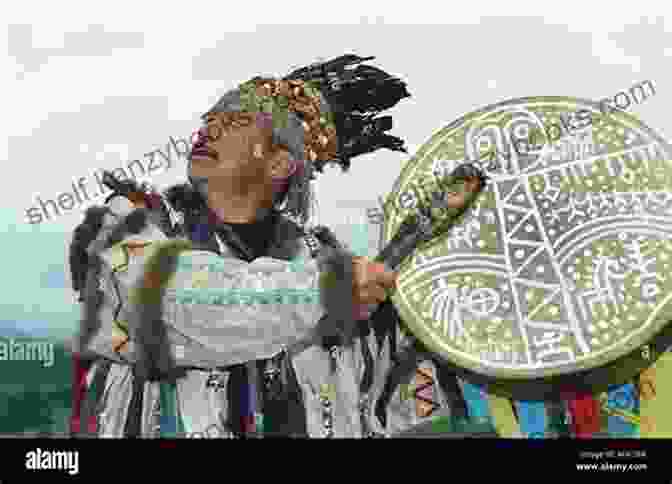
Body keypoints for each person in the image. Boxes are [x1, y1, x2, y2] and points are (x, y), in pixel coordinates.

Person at [72, 54, 421, 438]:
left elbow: (392, 401)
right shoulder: (130, 224)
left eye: (234, 122)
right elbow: (184, 303)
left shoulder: (323, 259)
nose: (208, 130)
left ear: (279, 164)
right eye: (210, 120)